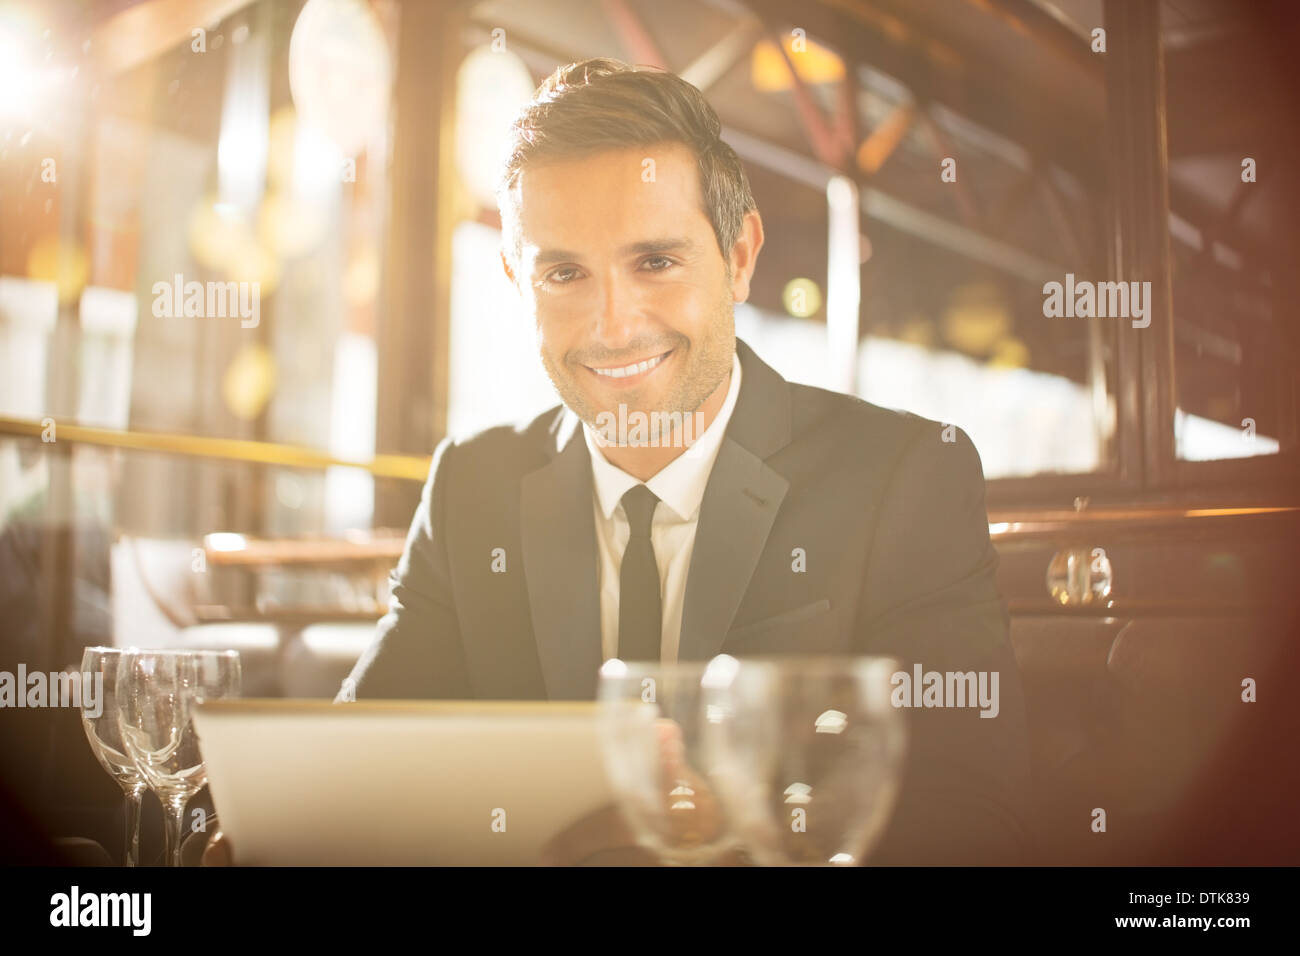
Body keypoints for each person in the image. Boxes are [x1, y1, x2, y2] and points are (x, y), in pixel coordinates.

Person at [210, 57, 1031, 866]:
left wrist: (740, 842)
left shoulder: (903, 478)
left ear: (739, 256)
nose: (611, 325)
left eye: (655, 262)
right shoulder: (473, 488)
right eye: (564, 273)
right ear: (516, 280)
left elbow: (978, 822)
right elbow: (362, 764)